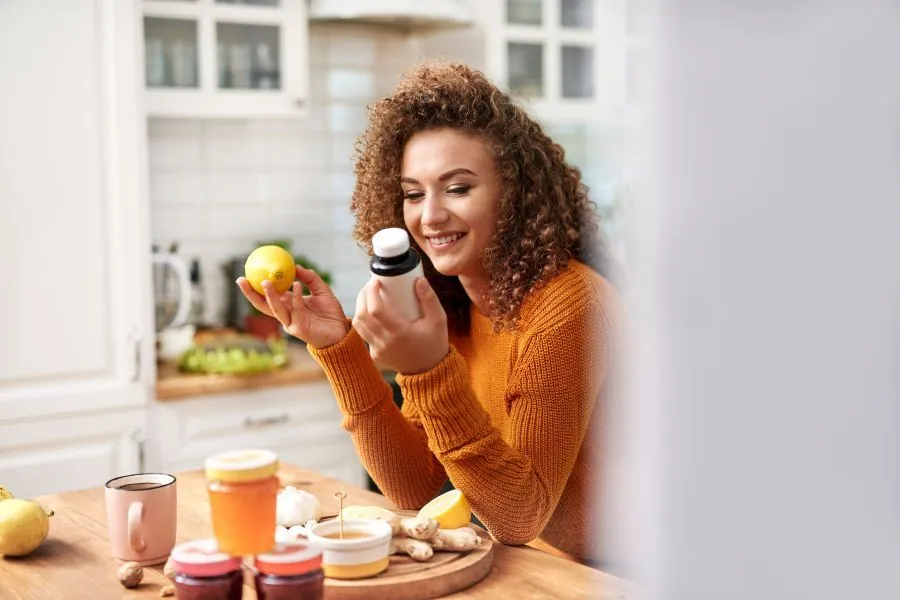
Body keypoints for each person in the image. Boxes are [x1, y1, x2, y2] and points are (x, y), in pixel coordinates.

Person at [237, 61, 624, 566]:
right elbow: (416, 486)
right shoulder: (447, 302)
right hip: (545, 565)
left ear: (515, 193)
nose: (430, 215)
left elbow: (520, 514)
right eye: (414, 194)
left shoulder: (568, 306)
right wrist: (340, 349)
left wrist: (426, 367)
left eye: (458, 188)